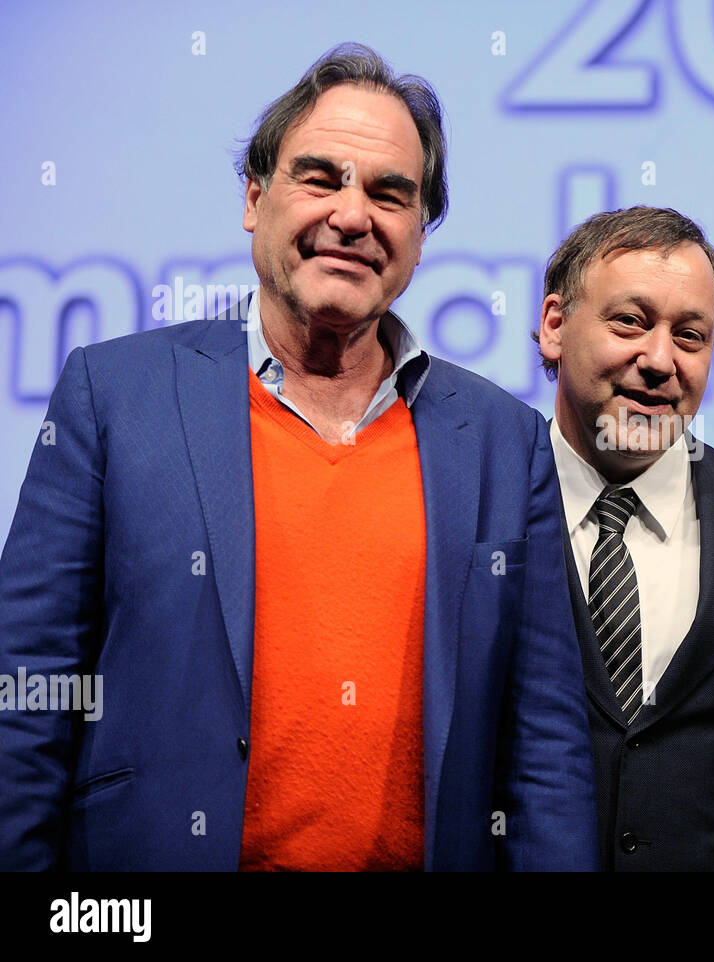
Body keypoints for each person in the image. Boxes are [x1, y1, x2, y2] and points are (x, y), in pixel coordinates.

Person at [0, 43, 597, 871]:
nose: (353, 216)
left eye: (391, 194)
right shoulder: (113, 395)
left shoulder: (504, 440)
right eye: (321, 178)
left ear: (420, 237)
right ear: (254, 197)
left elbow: (546, 747)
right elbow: (27, 699)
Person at [535, 206, 714, 870]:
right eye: (630, 322)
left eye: (690, 336)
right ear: (555, 325)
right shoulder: (480, 504)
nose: (660, 360)